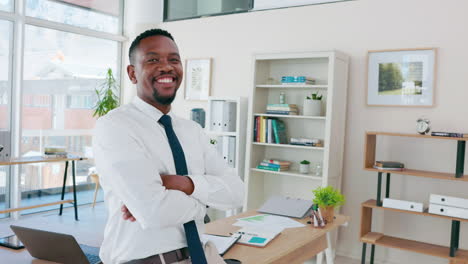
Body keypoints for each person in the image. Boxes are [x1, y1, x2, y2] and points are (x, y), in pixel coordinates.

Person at [93, 28, 244, 264]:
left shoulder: (192, 131)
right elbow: (154, 212)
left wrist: (182, 183)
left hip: (201, 256)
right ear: (132, 73)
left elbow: (237, 193)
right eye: (153, 60)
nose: (166, 67)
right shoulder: (115, 126)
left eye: (173, 60)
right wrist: (204, 202)